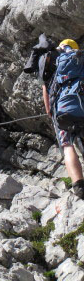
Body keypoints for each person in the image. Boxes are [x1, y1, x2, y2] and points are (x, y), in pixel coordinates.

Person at [39, 39, 84, 199]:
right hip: (81, 105)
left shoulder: (50, 63)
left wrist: (51, 112)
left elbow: (46, 97)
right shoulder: (79, 59)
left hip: (62, 110)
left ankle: (78, 185)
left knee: (67, 146)